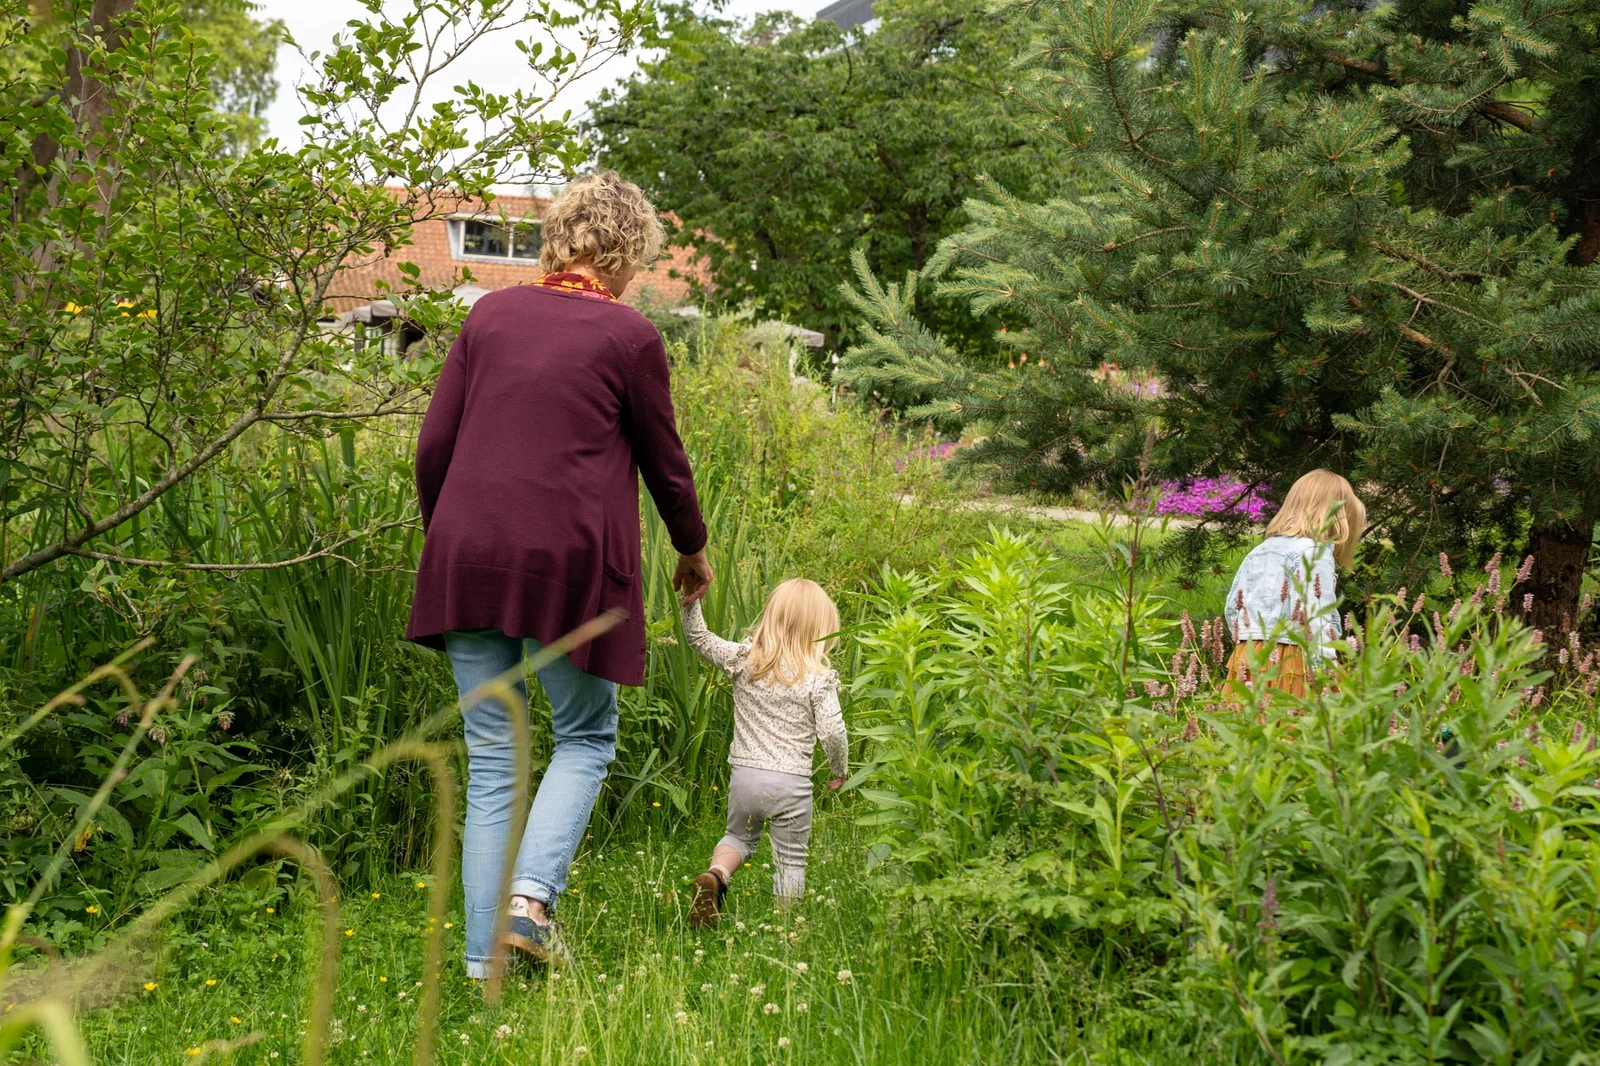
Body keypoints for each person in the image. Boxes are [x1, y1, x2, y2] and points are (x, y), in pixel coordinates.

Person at [405, 172, 714, 973]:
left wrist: (452, 537)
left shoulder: (490, 316)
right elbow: (665, 466)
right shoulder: (630, 337)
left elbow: (433, 448)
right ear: (625, 250)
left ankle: (482, 964)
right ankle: (531, 902)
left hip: (465, 553)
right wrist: (693, 547)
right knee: (585, 734)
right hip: (567, 564)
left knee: (494, 760)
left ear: (560, 236)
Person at [680, 579, 848, 928]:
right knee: (791, 859)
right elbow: (832, 731)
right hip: (792, 784)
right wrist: (838, 769)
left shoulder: (744, 660)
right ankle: (785, 928)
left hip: (746, 778)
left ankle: (716, 875)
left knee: (738, 838)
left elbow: (699, 637)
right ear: (822, 630)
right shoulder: (819, 678)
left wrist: (690, 600)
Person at [1223, 470, 1366, 700]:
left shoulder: (1261, 550)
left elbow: (1233, 607)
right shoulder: (1315, 553)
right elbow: (1316, 618)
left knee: (1251, 726)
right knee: (1296, 727)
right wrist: (1326, 669)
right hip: (1292, 660)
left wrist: (1247, 642)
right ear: (1339, 518)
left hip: (1249, 654)